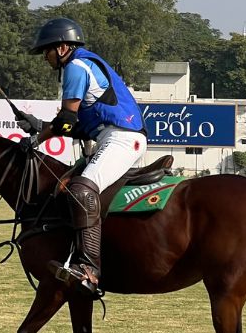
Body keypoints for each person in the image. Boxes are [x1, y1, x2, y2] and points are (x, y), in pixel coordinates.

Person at [15, 17, 148, 298]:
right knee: (69, 187)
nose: (45, 58)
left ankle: (88, 270)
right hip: (110, 138)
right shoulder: (82, 64)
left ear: (63, 47)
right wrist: (37, 125)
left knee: (80, 190)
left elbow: (64, 121)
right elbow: (73, 126)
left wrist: (37, 138)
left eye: (47, 51)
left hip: (122, 139)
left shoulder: (76, 66)